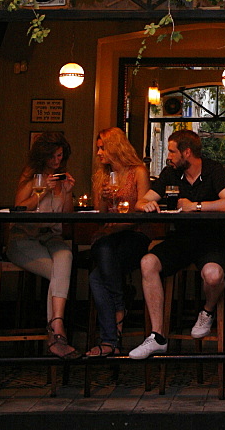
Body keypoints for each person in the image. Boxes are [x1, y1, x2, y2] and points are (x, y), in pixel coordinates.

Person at [129, 129, 225, 360]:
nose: (168, 155)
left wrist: (196, 206)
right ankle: (157, 337)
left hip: (211, 239)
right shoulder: (170, 173)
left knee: (214, 275)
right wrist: (144, 205)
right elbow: (142, 200)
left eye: (171, 151)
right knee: (148, 262)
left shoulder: (213, 169)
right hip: (181, 240)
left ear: (187, 152)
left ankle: (207, 311)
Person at [6, 131, 78, 358]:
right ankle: (57, 333)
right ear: (42, 157)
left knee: (65, 257)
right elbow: (19, 207)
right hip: (24, 237)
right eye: (52, 157)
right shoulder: (32, 175)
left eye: (60, 156)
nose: (56, 161)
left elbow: (66, 220)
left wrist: (67, 193)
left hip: (51, 237)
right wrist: (43, 190)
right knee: (59, 275)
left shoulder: (62, 178)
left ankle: (55, 330)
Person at [85, 127, 151, 356]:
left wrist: (115, 228)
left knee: (97, 276)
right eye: (98, 148)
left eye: (102, 148)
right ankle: (117, 317)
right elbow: (100, 214)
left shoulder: (138, 172)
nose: (99, 153)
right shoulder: (102, 175)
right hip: (108, 237)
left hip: (133, 235)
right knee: (98, 268)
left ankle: (109, 339)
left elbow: (141, 212)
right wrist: (103, 198)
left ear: (115, 147)